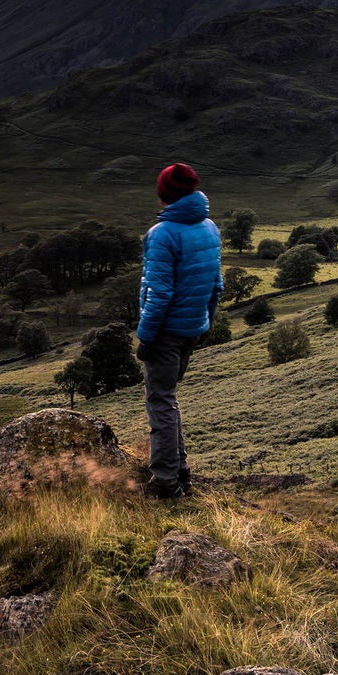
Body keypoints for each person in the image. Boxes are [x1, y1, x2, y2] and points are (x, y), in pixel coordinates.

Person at [135, 162, 222, 498]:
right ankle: (180, 470)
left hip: (166, 331)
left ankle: (166, 483)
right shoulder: (210, 227)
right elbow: (217, 285)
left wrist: (145, 336)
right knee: (169, 400)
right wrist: (204, 324)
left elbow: (159, 294)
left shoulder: (162, 235)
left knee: (160, 402)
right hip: (191, 329)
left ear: (164, 194)